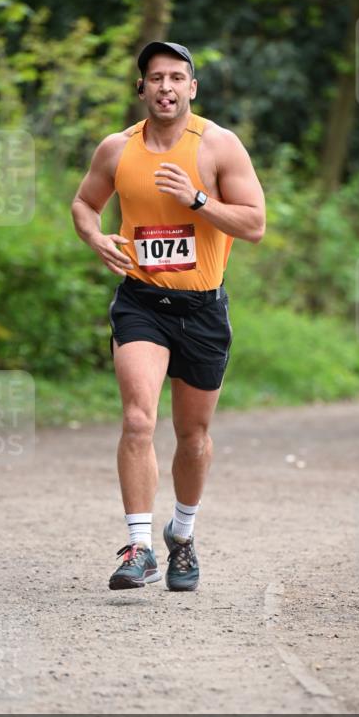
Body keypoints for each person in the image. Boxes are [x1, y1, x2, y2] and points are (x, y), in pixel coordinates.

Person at [71, 41, 265, 590]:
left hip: (202, 308)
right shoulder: (117, 149)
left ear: (192, 88)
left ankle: (182, 535)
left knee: (193, 435)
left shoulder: (219, 146)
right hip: (142, 302)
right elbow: (84, 203)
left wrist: (198, 200)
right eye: (156, 78)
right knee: (138, 420)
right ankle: (140, 546)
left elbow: (254, 225)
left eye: (177, 78)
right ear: (142, 88)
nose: (166, 87)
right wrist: (95, 237)